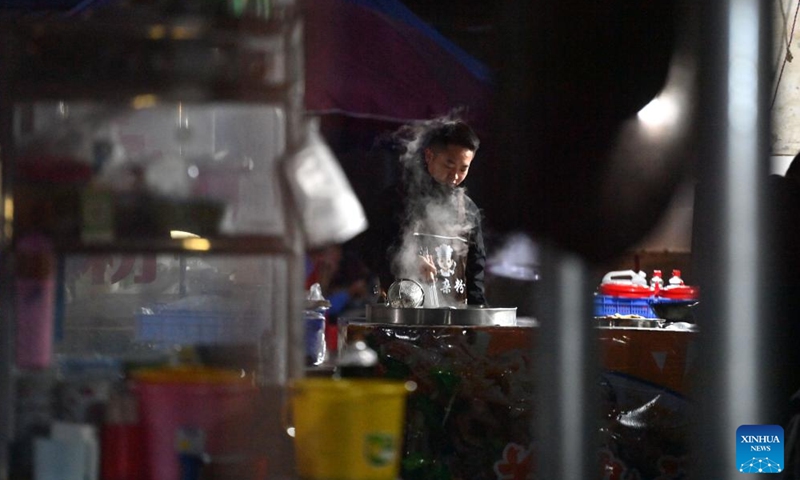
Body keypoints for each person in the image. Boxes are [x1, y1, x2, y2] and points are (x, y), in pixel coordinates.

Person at [356, 116, 487, 306]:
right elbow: (369, 249)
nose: (455, 176)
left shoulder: (468, 210)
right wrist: (406, 260)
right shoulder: (396, 199)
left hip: (454, 321)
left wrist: (479, 313)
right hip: (402, 315)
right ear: (429, 156)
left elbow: (476, 271)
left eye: (463, 169)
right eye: (449, 165)